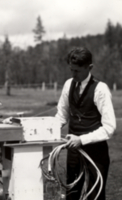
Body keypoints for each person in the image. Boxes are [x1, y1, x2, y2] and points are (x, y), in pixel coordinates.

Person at [55, 47, 116, 200]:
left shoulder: (100, 89)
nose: (73, 74)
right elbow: (61, 116)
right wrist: (48, 130)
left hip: (95, 154)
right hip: (74, 155)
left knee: (94, 195)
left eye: (77, 71)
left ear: (89, 68)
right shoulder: (68, 85)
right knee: (72, 194)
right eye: (71, 70)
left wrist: (81, 140)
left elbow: (109, 127)